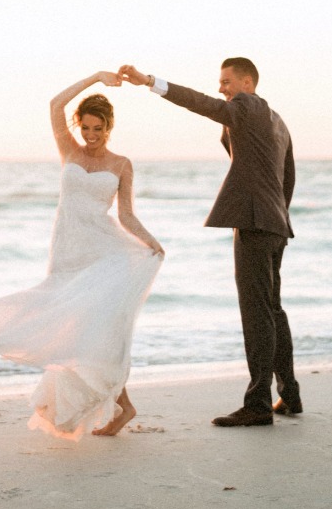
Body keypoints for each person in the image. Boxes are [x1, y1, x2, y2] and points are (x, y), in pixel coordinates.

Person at [0, 72, 164, 440]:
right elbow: (56, 105)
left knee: (97, 332)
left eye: (97, 128)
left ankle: (122, 405)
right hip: (68, 253)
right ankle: (122, 403)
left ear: (109, 127)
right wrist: (97, 78)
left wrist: (151, 242)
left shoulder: (121, 165)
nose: (90, 135)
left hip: (104, 253)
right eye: (85, 127)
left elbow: (126, 215)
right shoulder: (68, 150)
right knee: (69, 329)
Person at [118, 58, 301, 427]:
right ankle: (290, 393)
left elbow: (202, 103)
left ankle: (258, 405)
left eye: (227, 81)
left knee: (257, 313)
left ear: (247, 82)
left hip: (255, 222)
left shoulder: (247, 106)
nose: (221, 88)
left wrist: (150, 82)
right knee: (273, 309)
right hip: (275, 224)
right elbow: (288, 176)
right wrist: (277, 216)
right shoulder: (277, 120)